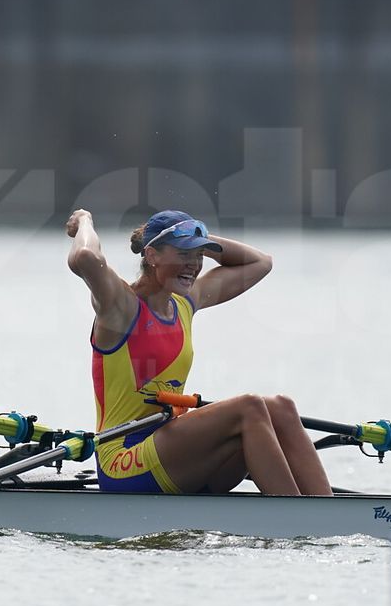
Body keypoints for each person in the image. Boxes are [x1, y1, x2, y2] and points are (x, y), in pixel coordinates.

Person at [65, 208, 332, 496]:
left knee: (281, 407)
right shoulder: (120, 307)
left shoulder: (185, 303)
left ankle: (325, 510)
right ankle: (296, 518)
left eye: (198, 255)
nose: (194, 264)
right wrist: (84, 221)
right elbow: (85, 258)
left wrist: (196, 236)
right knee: (249, 407)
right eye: (183, 254)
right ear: (152, 255)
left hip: (171, 453)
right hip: (123, 460)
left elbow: (260, 263)